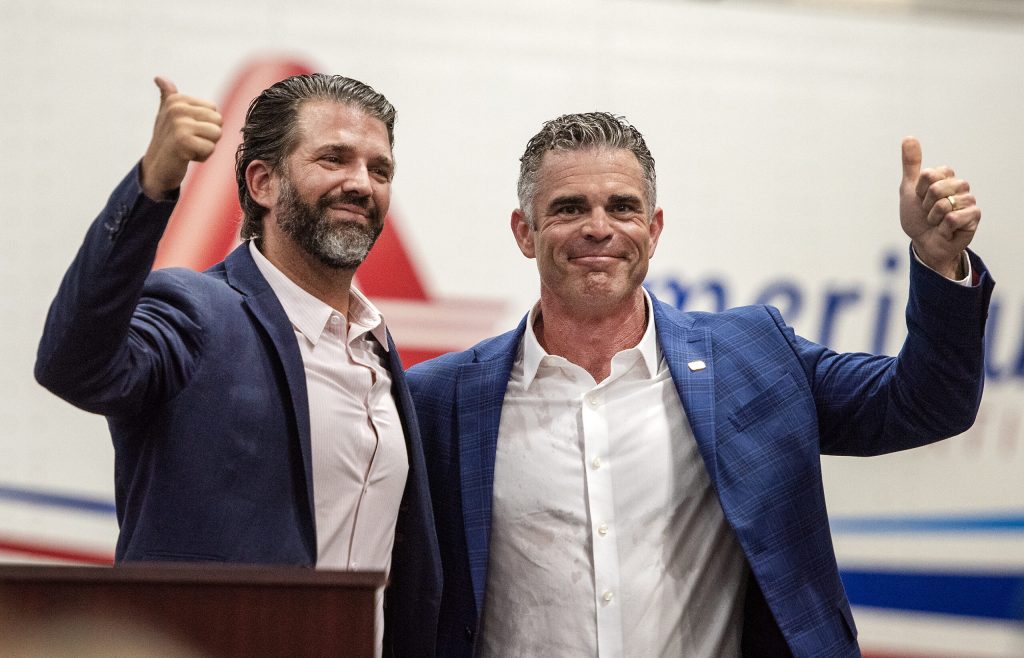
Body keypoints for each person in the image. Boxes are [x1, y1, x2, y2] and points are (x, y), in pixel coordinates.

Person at [407, 112, 992, 657]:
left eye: (622, 207)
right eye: (568, 208)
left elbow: (924, 405)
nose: (598, 228)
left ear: (654, 228)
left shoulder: (754, 356)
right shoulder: (442, 399)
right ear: (524, 232)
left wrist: (937, 260)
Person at [34, 74, 440, 657]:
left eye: (380, 169)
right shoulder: (195, 311)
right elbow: (72, 365)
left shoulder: (378, 348)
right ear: (263, 182)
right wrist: (155, 182)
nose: (361, 183)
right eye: (334, 158)